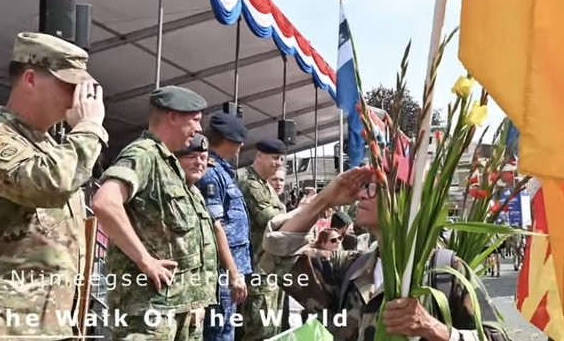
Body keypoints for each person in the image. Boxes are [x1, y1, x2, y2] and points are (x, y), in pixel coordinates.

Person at [260, 169, 510, 341]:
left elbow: (496, 337)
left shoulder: (446, 272)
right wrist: (325, 199)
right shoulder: (350, 268)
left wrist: (433, 328)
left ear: (407, 200)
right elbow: (278, 256)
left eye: (373, 188)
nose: (360, 195)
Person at [0, 32, 108, 339]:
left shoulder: (53, 148)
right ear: (30, 79)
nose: (77, 98)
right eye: (69, 86)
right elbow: (51, 184)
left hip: (53, 326)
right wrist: (89, 129)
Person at [92, 85, 211, 340]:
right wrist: (145, 260)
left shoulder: (168, 163)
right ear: (173, 117)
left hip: (177, 307)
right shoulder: (143, 154)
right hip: (149, 310)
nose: (199, 128)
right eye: (195, 120)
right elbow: (105, 203)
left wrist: (195, 298)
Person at [175, 134, 249, 338]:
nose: (199, 163)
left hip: (205, 285)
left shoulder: (195, 194)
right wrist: (232, 273)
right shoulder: (175, 193)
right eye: (191, 157)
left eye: (203, 158)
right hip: (183, 291)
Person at [197, 112, 251, 341]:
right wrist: (233, 273)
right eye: (238, 142)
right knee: (219, 333)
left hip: (229, 269)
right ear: (227, 140)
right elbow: (215, 225)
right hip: (222, 272)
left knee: (226, 329)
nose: (241, 148)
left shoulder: (222, 171)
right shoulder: (211, 173)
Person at [236, 138, 287, 341]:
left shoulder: (264, 184)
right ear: (259, 156)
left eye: (281, 159)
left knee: (271, 331)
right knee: (259, 332)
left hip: (269, 270)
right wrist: (303, 211)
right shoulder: (248, 181)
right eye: (274, 158)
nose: (278, 163)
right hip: (255, 271)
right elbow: (272, 220)